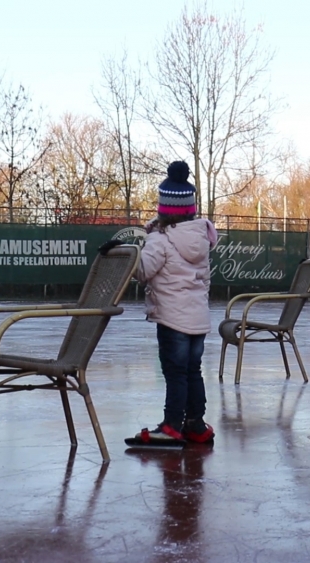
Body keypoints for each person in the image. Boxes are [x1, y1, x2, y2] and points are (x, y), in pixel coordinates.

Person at [129, 161, 219, 446]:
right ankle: (195, 423)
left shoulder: (160, 239)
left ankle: (171, 425)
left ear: (163, 210)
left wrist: (135, 253)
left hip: (171, 318)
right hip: (197, 319)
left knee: (175, 372)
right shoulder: (201, 239)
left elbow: (144, 271)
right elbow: (205, 281)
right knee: (193, 371)